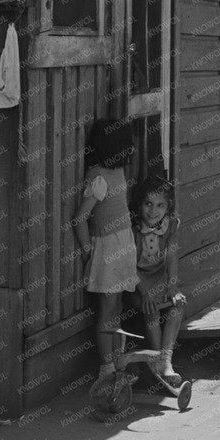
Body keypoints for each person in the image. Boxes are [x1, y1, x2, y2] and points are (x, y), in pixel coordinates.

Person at [72, 118, 138, 382]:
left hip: (122, 243)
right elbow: (80, 218)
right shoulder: (98, 177)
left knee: (116, 306)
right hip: (109, 247)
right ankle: (106, 369)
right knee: (108, 311)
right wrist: (89, 250)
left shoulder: (117, 172)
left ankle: (117, 364)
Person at [131, 176, 186, 383]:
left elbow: (171, 255)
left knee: (179, 303)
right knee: (151, 308)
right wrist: (144, 291)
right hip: (136, 283)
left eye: (160, 205)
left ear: (168, 207)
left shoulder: (170, 225)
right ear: (139, 204)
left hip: (159, 279)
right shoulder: (132, 227)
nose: (153, 211)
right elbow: (127, 265)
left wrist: (172, 286)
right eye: (148, 204)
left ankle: (166, 360)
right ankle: (157, 361)